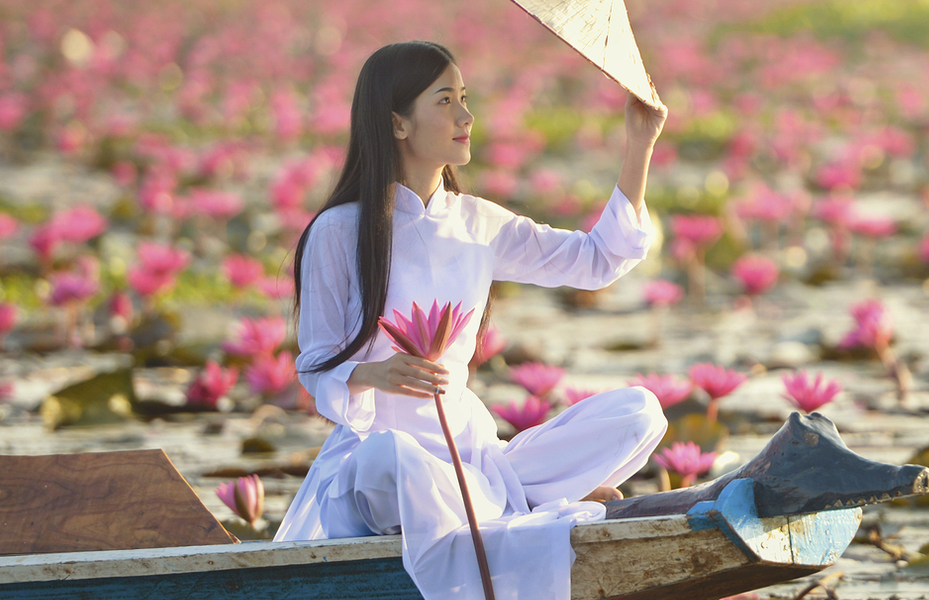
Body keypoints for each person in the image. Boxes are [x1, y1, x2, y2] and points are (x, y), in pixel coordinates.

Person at [274, 40, 669, 600]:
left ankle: (513, 505)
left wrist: (640, 141)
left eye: (465, 98)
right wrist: (372, 375)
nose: (467, 116)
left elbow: (597, 260)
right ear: (398, 124)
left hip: (476, 463)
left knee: (639, 413)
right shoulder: (338, 230)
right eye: (445, 101)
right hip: (380, 472)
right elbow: (315, 367)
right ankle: (524, 515)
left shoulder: (478, 222)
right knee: (393, 456)